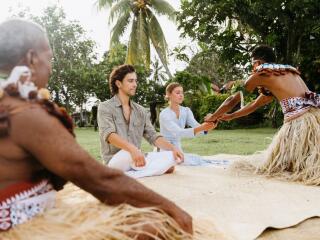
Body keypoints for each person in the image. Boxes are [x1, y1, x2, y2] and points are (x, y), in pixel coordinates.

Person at [0, 19, 192, 237]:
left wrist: (169, 149)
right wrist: (173, 210)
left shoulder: (11, 103)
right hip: (17, 226)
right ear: (33, 59)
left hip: (30, 208)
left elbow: (152, 134)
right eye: (49, 58)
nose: (50, 67)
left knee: (162, 165)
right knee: (149, 227)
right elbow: (98, 178)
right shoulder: (25, 113)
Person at [205, 45, 320, 185]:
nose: (252, 68)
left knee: (283, 165)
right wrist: (231, 116)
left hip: (300, 123)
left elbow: (233, 99)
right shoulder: (288, 71)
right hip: (315, 118)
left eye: (252, 63)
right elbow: (256, 104)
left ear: (257, 62)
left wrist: (213, 116)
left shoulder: (261, 74)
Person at [98, 65, 184, 176]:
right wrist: (132, 149)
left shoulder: (141, 111)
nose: (135, 85)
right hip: (116, 160)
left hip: (136, 158)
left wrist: (173, 148)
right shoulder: (105, 107)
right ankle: (142, 169)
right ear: (118, 84)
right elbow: (109, 135)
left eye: (135, 81)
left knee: (171, 157)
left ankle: (137, 171)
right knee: (128, 154)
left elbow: (152, 136)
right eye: (130, 81)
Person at [159, 82, 216, 152]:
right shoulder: (164, 114)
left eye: (182, 93)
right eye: (177, 93)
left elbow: (198, 127)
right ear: (169, 94)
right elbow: (179, 132)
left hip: (178, 149)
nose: (181, 95)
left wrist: (212, 122)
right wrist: (202, 127)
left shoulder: (186, 111)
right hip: (165, 149)